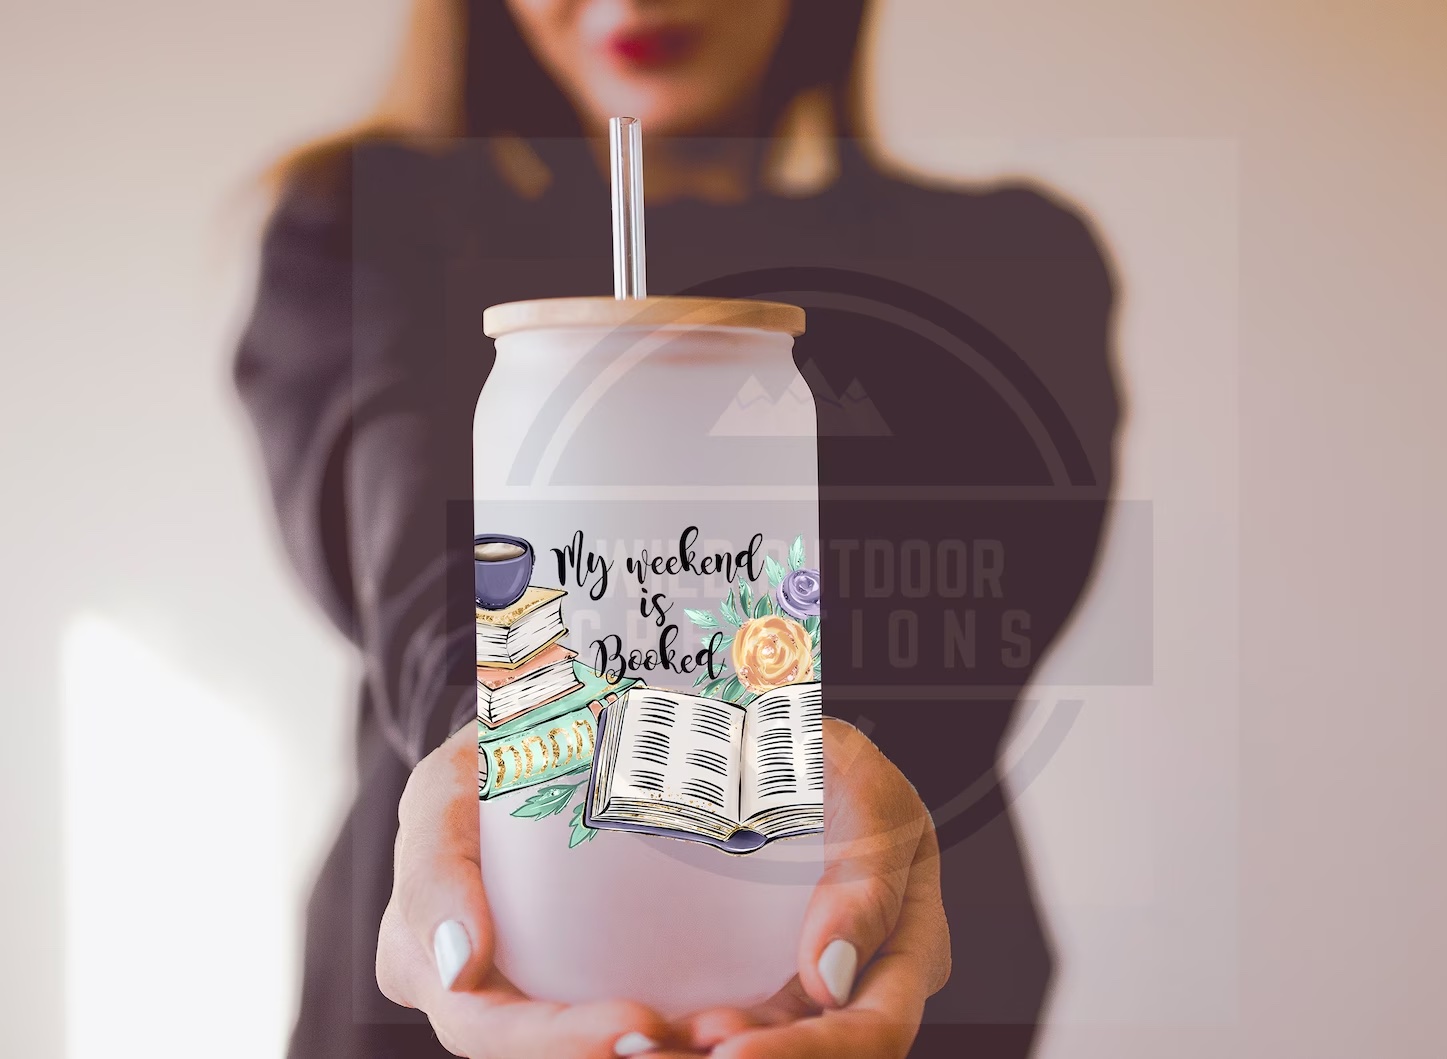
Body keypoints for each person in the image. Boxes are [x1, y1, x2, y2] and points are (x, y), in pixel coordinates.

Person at [235, 1, 1118, 1056]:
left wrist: (831, 811)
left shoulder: (1012, 262)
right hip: (465, 993)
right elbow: (407, 543)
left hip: (861, 989)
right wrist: (497, 743)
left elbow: (957, 620)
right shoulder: (372, 218)